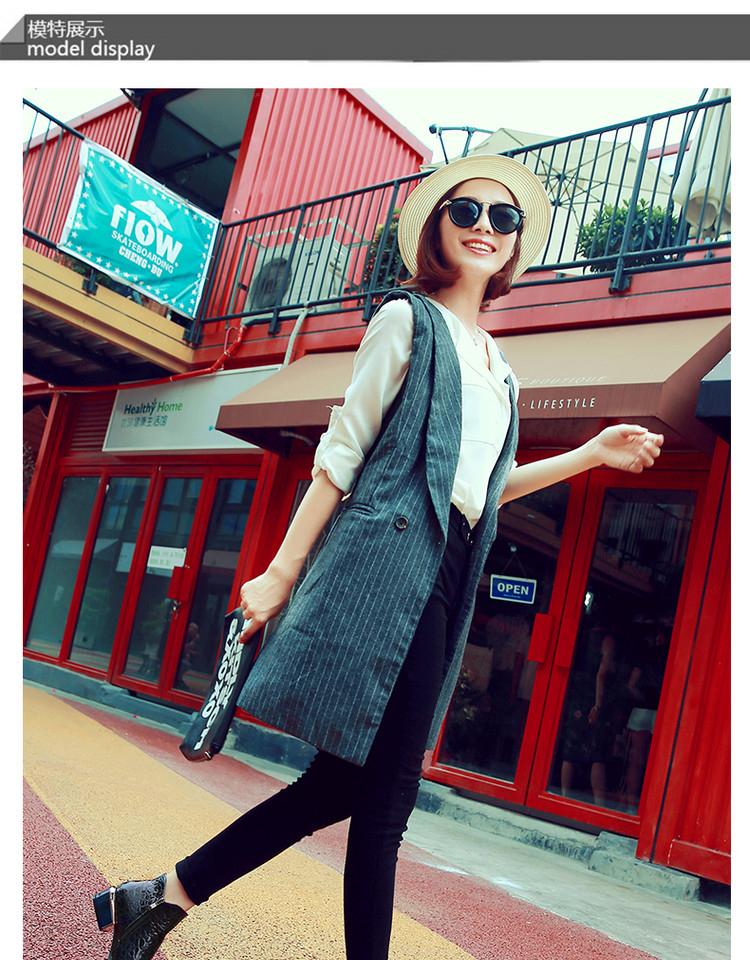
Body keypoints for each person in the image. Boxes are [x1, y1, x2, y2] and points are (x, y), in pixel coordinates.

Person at [92, 154, 664, 960]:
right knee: (387, 801)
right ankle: (169, 897)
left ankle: (162, 896)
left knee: (344, 784)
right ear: (437, 227)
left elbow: (483, 488)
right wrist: (282, 570)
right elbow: (343, 453)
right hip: (386, 569)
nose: (485, 227)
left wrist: (591, 453)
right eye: (466, 211)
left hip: (449, 573)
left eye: (503, 218)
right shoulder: (406, 320)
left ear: (516, 243)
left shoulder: (501, 369)